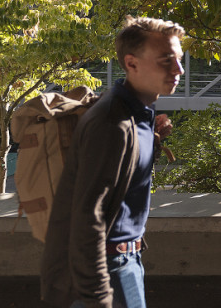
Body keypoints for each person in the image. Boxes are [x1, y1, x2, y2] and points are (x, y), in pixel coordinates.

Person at [41, 17, 185, 308]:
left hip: (125, 261)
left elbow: (125, 176)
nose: (178, 70)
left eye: (179, 60)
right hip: (105, 269)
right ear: (131, 63)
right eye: (166, 60)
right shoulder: (112, 123)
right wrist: (98, 297)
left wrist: (153, 140)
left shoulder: (138, 114)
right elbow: (87, 215)